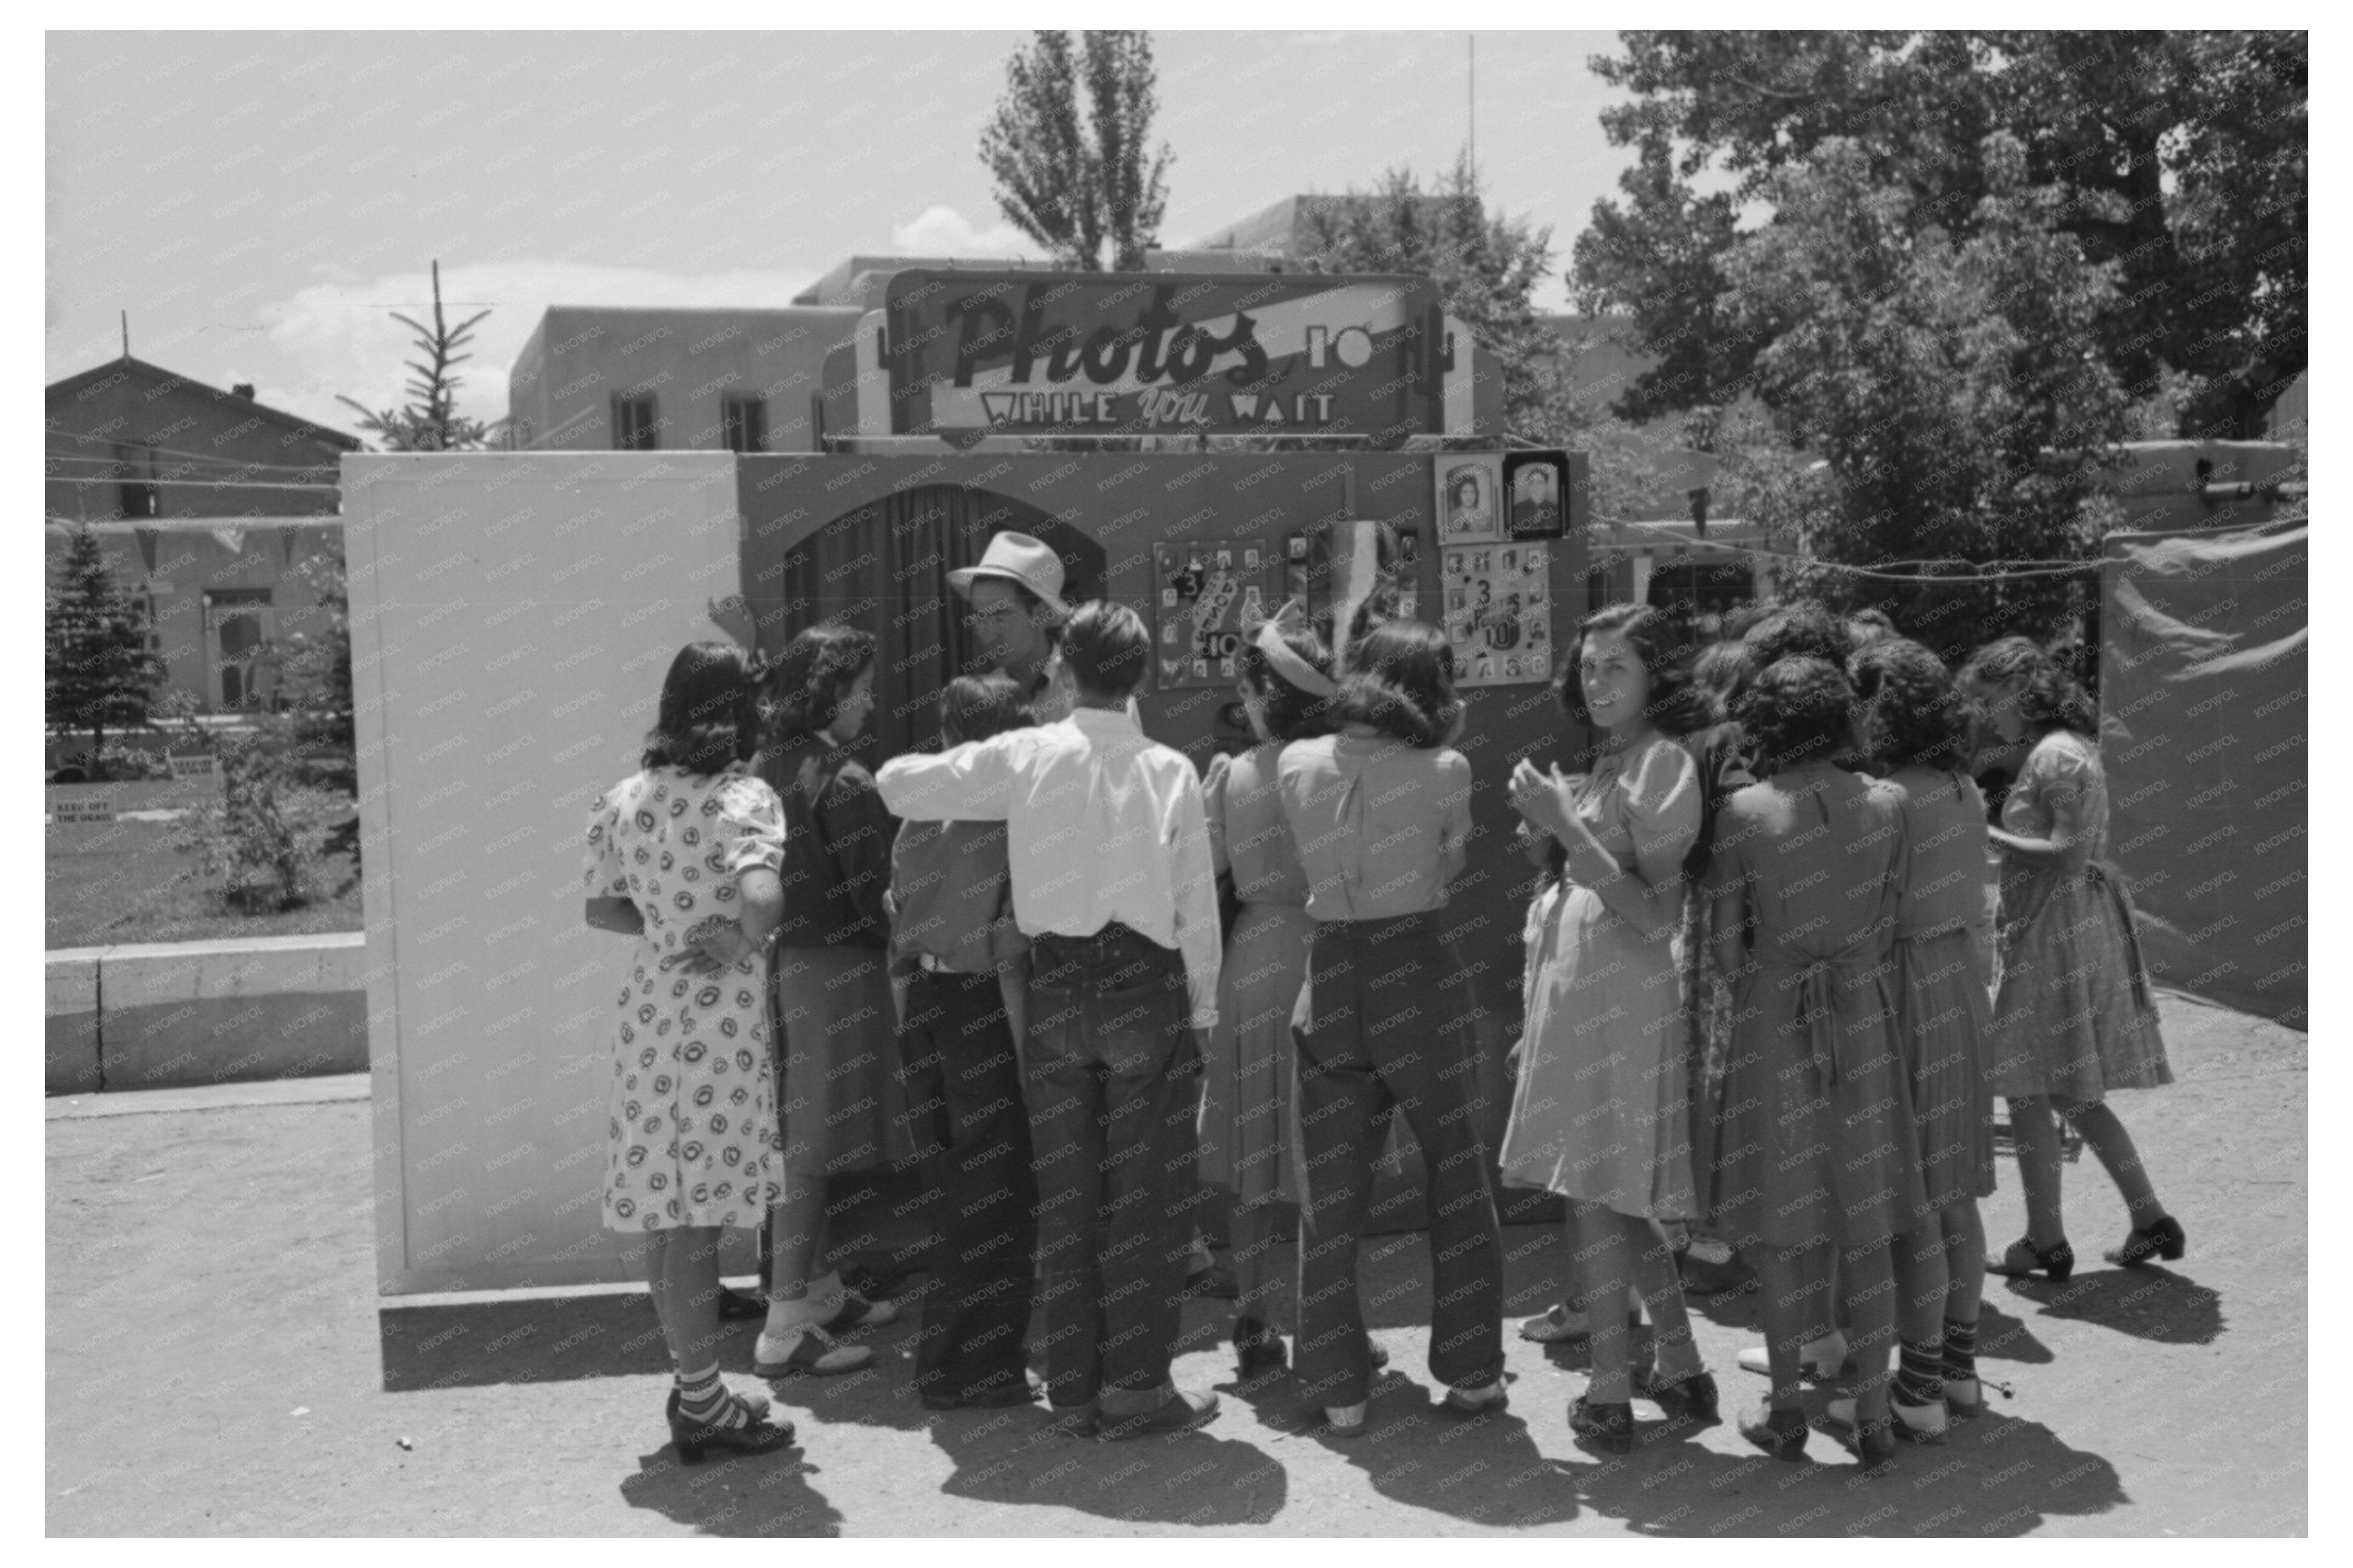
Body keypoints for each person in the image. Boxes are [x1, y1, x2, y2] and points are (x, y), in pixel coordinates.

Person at [876, 600, 1225, 1441]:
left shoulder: (1024, 754)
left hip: (1057, 986)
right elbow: (1194, 907)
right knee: (1143, 1198)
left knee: (1067, 1194)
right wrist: (1204, 1006)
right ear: (1137, 677)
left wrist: (989, 764)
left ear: (1063, 669)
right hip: (1144, 985)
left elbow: (894, 782)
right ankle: (1133, 1387)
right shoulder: (1169, 768)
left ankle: (1070, 1389)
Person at [1275, 619, 1506, 1438]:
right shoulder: (1447, 767)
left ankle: (1337, 1383)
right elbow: (1448, 866)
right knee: (1457, 1169)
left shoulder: (1292, 761)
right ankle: (1473, 1369)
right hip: (1415, 968)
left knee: (1330, 1195)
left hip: (1331, 974)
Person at [1501, 603, 1716, 1452]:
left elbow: (1654, 911)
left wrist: (1564, 826)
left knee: (1595, 1192)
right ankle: (1682, 1361)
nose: (1594, 682)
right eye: (1587, 666)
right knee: (1614, 1194)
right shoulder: (1613, 760)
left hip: (1619, 1002)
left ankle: (1608, 1388)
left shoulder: (1663, 762)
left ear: (1653, 676)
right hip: (1581, 1000)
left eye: (1614, 667)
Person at [1706, 656, 1927, 1474]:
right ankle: (1871, 1412)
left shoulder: (1741, 812)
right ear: (1841, 721)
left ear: (1765, 722)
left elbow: (1728, 949)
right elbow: (1893, 913)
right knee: (1863, 1220)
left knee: (1781, 1222)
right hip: (1862, 1018)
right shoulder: (1890, 804)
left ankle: (1787, 1407)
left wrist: (1781, 981)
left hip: (1775, 1023)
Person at [582, 641, 796, 1461]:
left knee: (667, 1217)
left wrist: (671, 928)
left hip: (650, 1020)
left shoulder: (624, 797)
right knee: (699, 1216)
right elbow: (764, 896)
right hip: (715, 1036)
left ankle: (695, 1386)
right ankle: (704, 1402)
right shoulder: (741, 798)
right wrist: (738, 939)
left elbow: (602, 910)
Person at [1960, 636, 2180, 1281]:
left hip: (2054, 931)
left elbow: (2064, 853)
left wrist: (1979, 827)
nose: (1983, 714)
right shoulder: (2061, 748)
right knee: (2062, 1090)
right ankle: (2145, 1218)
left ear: (2020, 692)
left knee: (2031, 1085)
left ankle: (2046, 1239)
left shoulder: (2053, 754)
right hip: (2060, 925)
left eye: (1988, 699)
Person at [1830, 638, 1999, 1440]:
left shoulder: (1887, 796)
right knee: (1955, 1193)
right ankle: (1956, 1372)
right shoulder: (1963, 787)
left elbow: (1864, 916)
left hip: (1903, 989)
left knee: (1915, 1204)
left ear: (1878, 705)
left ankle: (1918, 1387)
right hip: (1959, 983)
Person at [751, 625, 905, 1379]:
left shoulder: (763, 767)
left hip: (786, 969)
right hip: (839, 972)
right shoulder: (845, 781)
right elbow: (877, 898)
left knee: (799, 1137)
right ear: (832, 695)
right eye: (862, 690)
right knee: (809, 1151)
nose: (868, 704)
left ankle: (818, 1289)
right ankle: (784, 1322)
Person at [888, 674, 1043, 1411]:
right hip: (986, 1009)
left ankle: (946, 1360)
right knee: (1002, 1189)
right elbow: (1010, 948)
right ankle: (981, 1367)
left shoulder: (918, 817)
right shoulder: (1013, 821)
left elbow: (899, 919)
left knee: (952, 1190)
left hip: (924, 1002)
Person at [1200, 603, 1335, 1383]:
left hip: (1252, 961)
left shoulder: (1233, 775)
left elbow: (1200, 872)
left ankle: (1251, 1318)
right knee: (1328, 1146)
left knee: (1254, 1151)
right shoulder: (1336, 769)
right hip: (1326, 953)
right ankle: (1330, 1319)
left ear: (1260, 695)